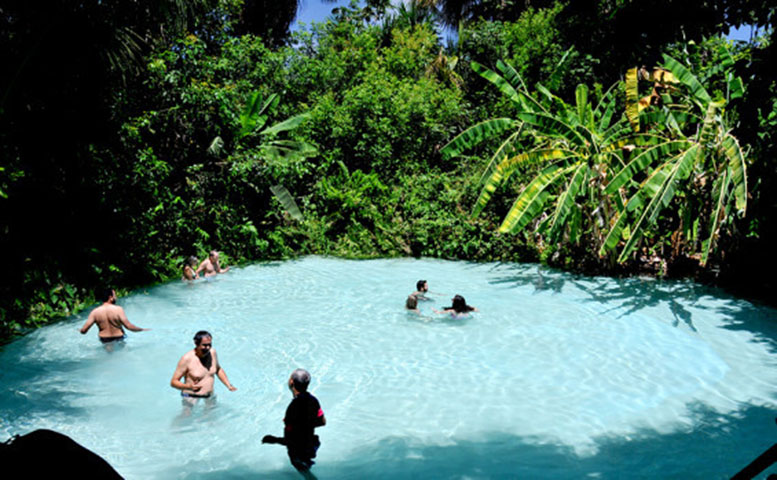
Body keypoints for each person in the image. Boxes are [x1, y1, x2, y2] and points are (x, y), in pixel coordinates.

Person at [262, 369, 326, 475]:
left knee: (303, 471)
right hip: (310, 443)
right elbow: (322, 422)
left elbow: (293, 440)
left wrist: (274, 440)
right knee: (306, 467)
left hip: (299, 450)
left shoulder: (293, 407)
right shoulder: (313, 400)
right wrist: (307, 424)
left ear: (291, 382)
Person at [170, 330, 237, 405]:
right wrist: (189, 387)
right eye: (204, 345)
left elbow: (218, 369)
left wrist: (228, 385)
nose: (208, 348)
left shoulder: (212, 353)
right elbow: (173, 382)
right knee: (186, 415)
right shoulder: (187, 359)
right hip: (191, 396)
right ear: (196, 343)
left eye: (209, 344)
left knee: (211, 415)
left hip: (209, 396)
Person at [79, 288, 150, 344]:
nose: (116, 297)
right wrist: (141, 329)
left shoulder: (95, 312)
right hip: (118, 337)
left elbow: (84, 331)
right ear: (110, 297)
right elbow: (129, 326)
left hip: (105, 339)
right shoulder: (118, 309)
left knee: (109, 357)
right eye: (114, 295)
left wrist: (80, 330)